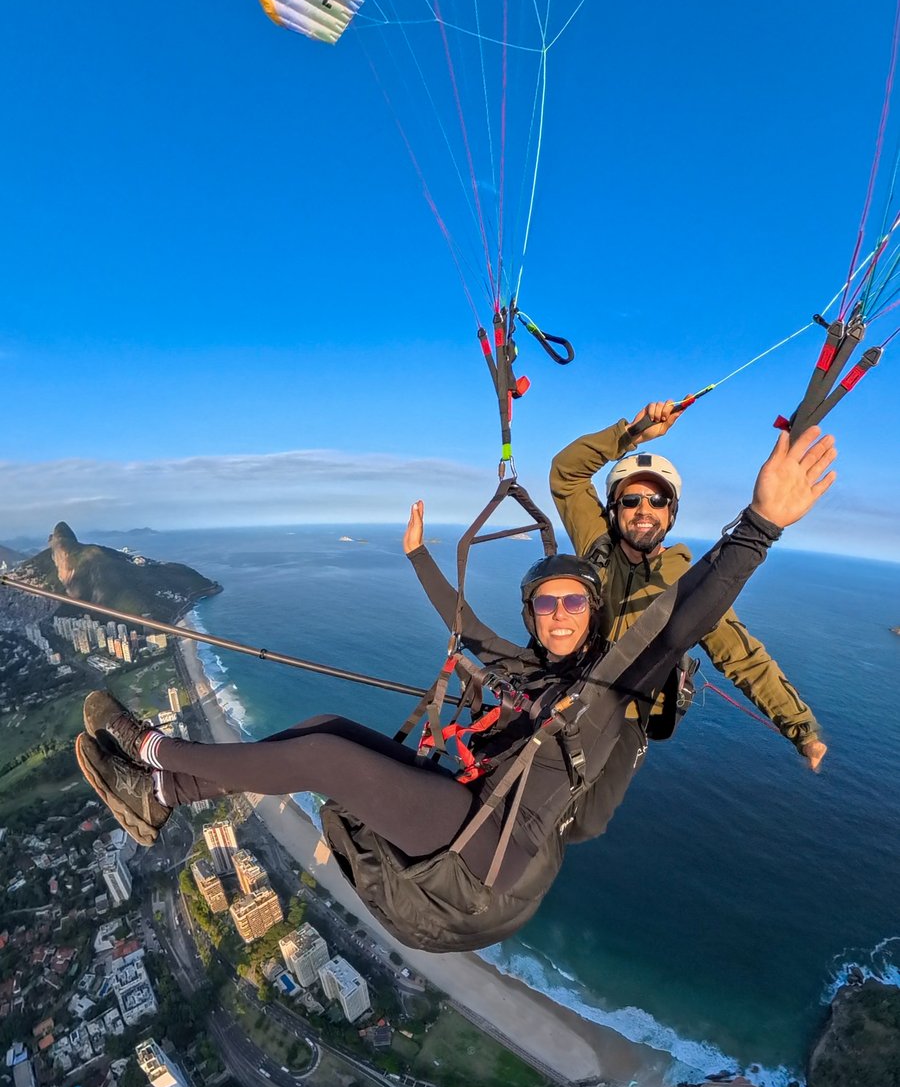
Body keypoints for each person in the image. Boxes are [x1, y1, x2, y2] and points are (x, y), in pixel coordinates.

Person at [75, 428, 835, 954]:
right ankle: (161, 791)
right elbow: (468, 630)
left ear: (595, 614)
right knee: (326, 725)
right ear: (534, 617)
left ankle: (153, 757)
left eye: (577, 602)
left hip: (486, 875)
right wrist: (418, 557)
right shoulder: (530, 669)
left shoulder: (602, 693)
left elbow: (682, 624)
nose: (562, 612)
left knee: (325, 761)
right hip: (472, 823)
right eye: (548, 604)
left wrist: (760, 524)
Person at [550, 400, 826, 809]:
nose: (644, 511)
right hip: (569, 690)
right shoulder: (598, 545)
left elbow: (741, 654)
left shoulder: (686, 583)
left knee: (587, 816)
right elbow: (566, 473)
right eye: (630, 501)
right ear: (613, 509)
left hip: (625, 714)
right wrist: (632, 433)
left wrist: (801, 727)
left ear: (671, 512)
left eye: (657, 501)